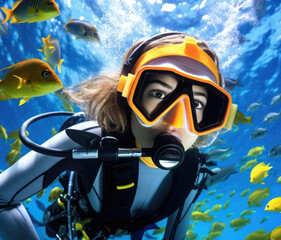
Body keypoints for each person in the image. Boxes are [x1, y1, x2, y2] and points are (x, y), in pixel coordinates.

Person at [0, 32, 237, 240]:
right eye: (158, 93)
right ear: (127, 93)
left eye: (196, 104)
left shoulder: (192, 171)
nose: (176, 120)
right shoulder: (86, 141)